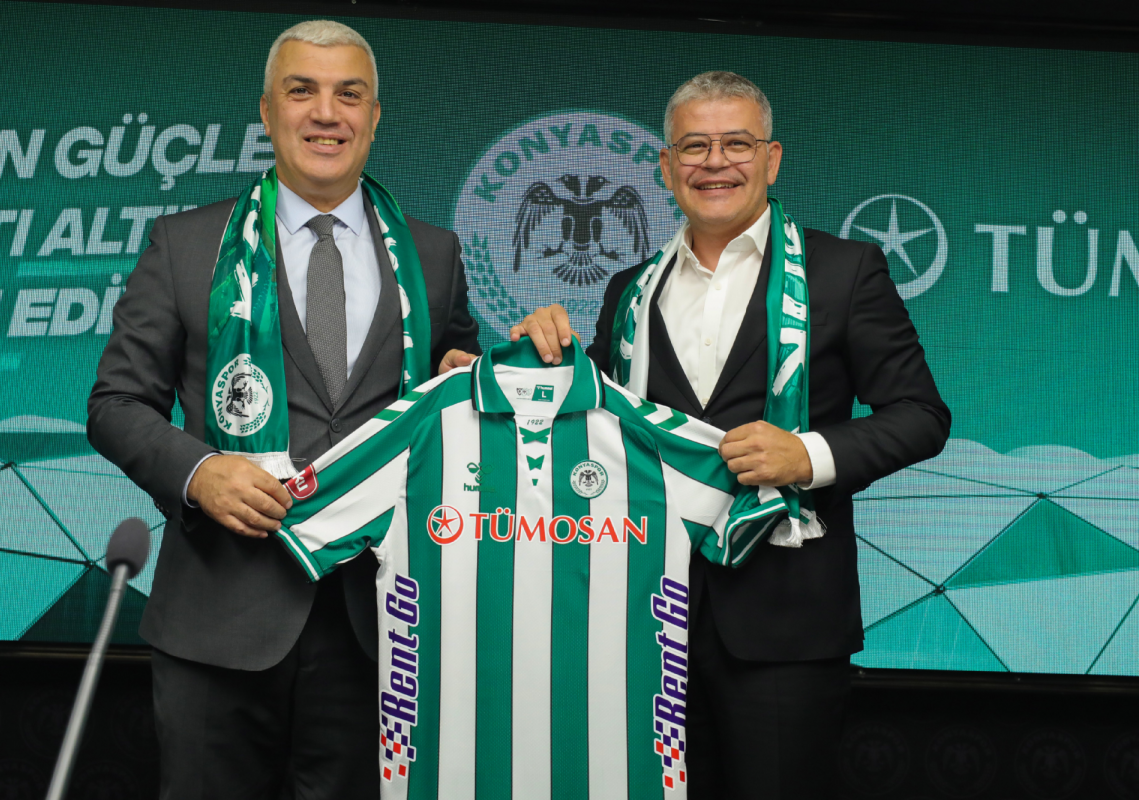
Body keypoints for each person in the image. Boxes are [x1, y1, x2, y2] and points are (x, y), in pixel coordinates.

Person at [510, 71, 950, 799]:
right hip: (640, 617)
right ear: (666, 166)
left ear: (771, 159)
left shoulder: (844, 271)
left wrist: (807, 455)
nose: (715, 163)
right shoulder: (630, 289)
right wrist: (528, 358)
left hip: (785, 624)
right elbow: (592, 420)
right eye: (695, 146)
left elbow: (921, 415)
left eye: (737, 144)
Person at [87, 20, 479, 800]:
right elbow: (115, 403)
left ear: (375, 117)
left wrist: (486, 377)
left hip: (382, 626)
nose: (326, 113)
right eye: (303, 91)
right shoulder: (186, 244)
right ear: (268, 112)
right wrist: (199, 472)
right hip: (219, 619)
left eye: (349, 95)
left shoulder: (435, 256)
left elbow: (455, 394)